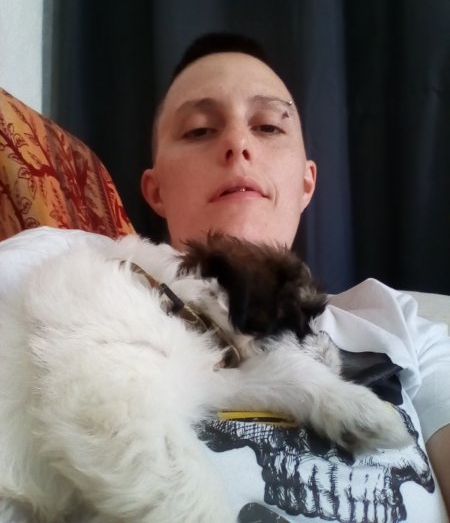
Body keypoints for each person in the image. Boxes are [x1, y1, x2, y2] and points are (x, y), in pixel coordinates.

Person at [0, 33, 449, 523]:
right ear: (154, 189)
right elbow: (105, 410)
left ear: (307, 181)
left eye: (269, 126)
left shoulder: (406, 327)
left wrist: (317, 391)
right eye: (199, 130)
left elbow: (212, 378)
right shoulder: (79, 262)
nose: (238, 144)